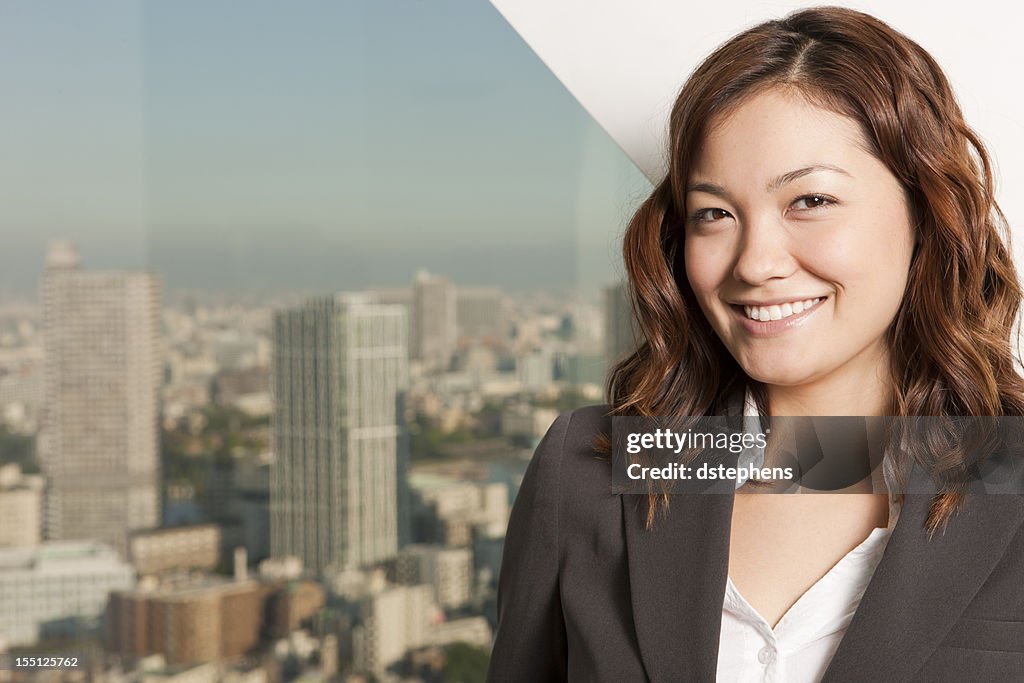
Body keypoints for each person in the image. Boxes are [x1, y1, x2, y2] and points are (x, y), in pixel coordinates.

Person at [486, 6, 1024, 682]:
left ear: (925, 210)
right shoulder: (594, 471)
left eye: (810, 201)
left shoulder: (1011, 471)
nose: (754, 262)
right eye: (715, 213)